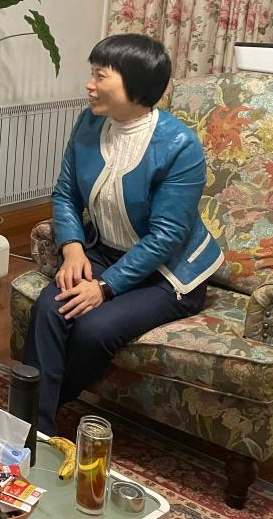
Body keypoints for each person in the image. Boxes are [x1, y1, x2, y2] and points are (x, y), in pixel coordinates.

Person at [23, 34, 221, 436]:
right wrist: (73, 248)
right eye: (92, 74)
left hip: (169, 272)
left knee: (94, 329)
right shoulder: (89, 122)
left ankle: (37, 414)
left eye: (101, 76)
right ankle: (30, 428)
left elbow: (167, 236)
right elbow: (66, 192)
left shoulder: (180, 146)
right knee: (49, 308)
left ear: (135, 84)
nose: (89, 84)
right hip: (105, 251)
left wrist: (105, 287)